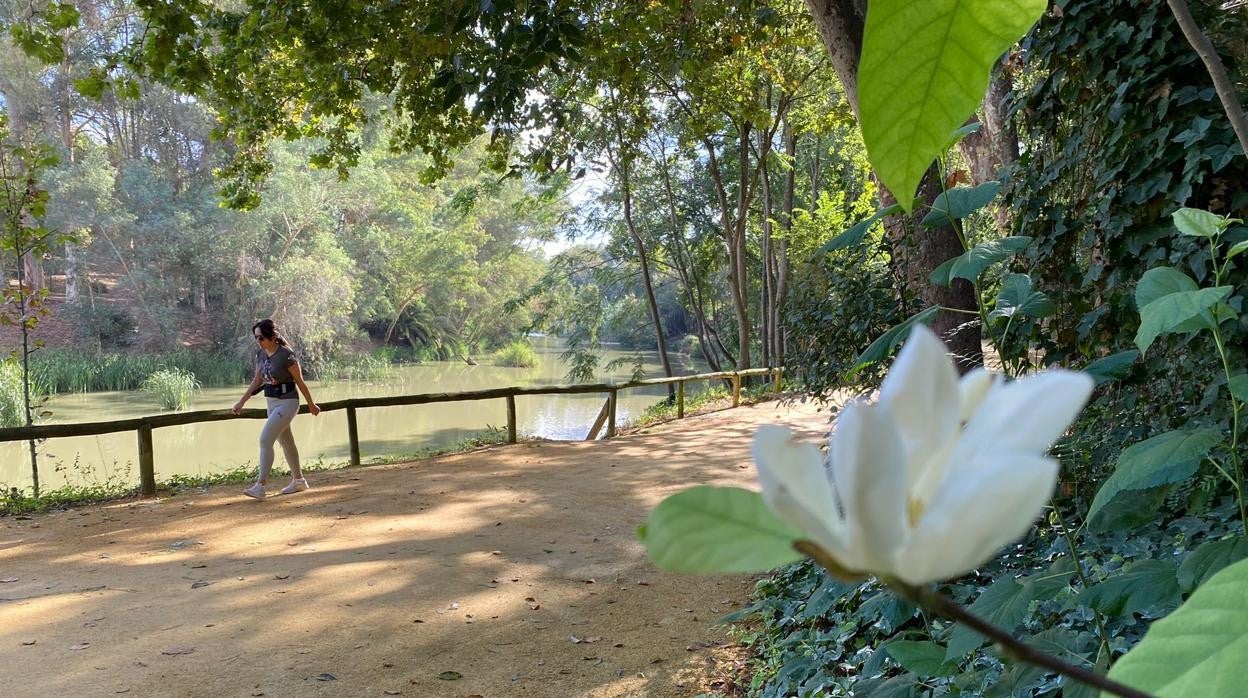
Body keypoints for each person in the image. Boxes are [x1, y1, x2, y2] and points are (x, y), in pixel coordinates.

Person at [232, 319, 321, 499]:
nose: (259, 341)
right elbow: (257, 380)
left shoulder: (286, 355)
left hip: (287, 402)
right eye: (256, 338)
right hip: (271, 402)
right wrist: (242, 401)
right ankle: (299, 481)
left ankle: (260, 485)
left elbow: (300, 381)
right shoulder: (261, 354)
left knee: (265, 440)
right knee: (286, 442)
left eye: (262, 337)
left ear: (272, 337)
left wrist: (311, 403)